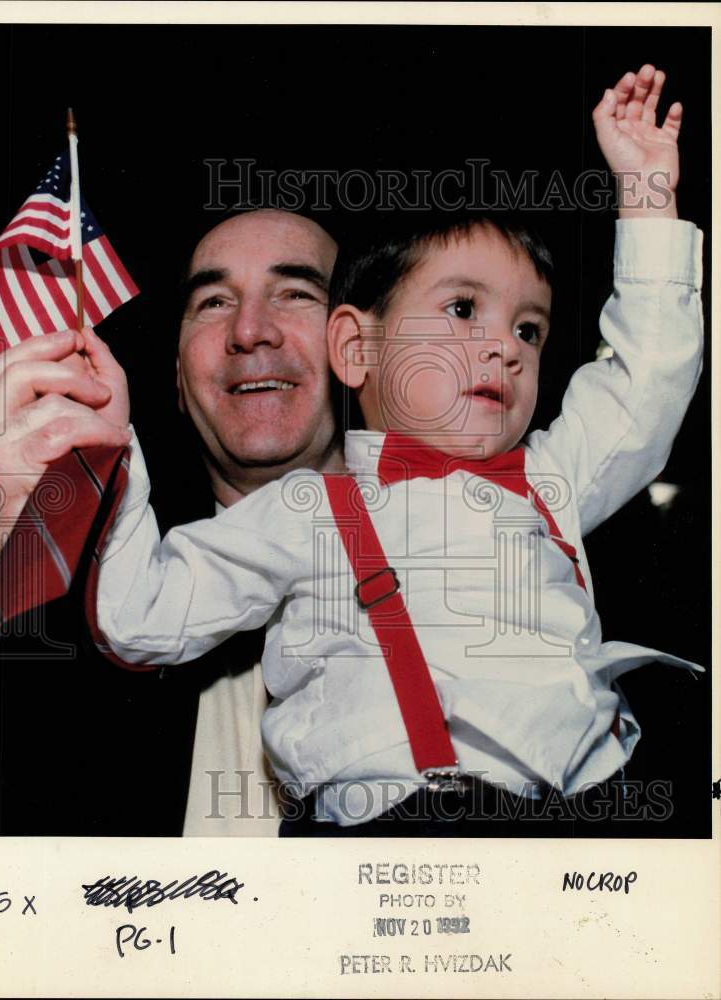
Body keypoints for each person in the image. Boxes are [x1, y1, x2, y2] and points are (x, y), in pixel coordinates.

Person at [94, 65, 705, 835]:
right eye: (461, 309)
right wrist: (104, 447)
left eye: (529, 329)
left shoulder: (549, 481)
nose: (505, 348)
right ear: (355, 346)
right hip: (385, 834)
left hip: (575, 822)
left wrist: (647, 197)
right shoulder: (310, 509)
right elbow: (143, 617)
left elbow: (645, 383)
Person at [0, 208, 341, 836]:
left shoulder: (469, 575)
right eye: (214, 302)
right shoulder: (108, 611)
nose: (249, 331)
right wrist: (20, 546)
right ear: (180, 384)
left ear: (359, 348)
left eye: (296, 293)